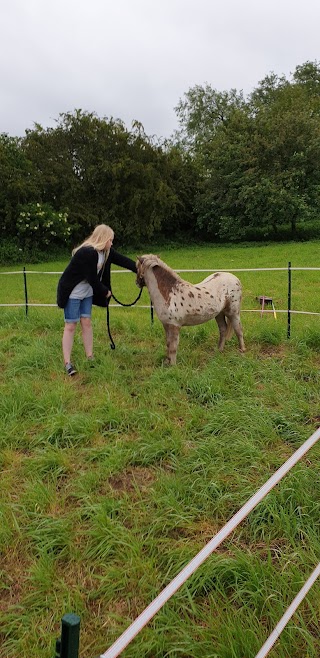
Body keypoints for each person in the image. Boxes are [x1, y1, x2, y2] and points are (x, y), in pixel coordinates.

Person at [57, 224, 137, 376]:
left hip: (86, 293)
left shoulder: (105, 252)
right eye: (110, 240)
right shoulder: (87, 253)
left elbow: (123, 261)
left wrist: (141, 269)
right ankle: (67, 363)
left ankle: (90, 357)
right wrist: (105, 291)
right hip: (73, 292)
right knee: (71, 325)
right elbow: (92, 278)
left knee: (86, 322)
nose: (112, 243)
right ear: (104, 238)